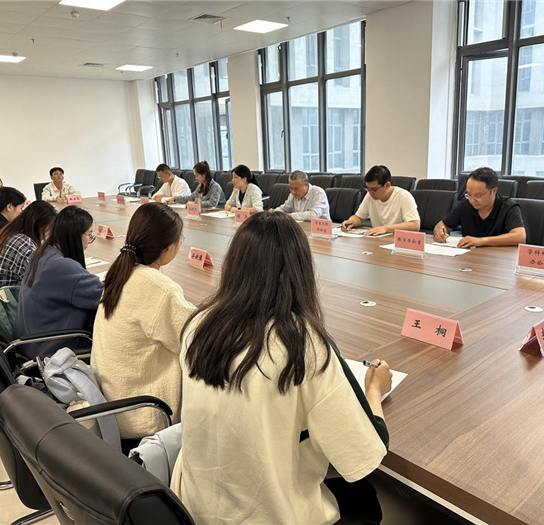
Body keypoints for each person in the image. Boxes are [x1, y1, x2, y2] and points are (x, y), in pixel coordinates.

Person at [172, 212, 392, 525]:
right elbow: (365, 450)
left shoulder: (198, 324)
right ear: (301, 271)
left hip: (193, 506)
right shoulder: (303, 345)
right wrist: (374, 390)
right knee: (364, 496)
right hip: (268, 515)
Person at [92, 203, 195, 438]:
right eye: (180, 238)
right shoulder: (159, 288)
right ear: (168, 247)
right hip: (145, 414)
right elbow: (195, 339)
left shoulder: (120, 272)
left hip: (114, 402)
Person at [13, 206, 103, 360]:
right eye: (89, 235)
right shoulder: (62, 267)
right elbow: (106, 295)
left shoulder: (42, 253)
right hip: (49, 351)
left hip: (29, 342)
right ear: (75, 235)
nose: (90, 240)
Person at [433, 167, 526, 248]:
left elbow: (520, 237)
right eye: (469, 194)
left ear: (494, 191)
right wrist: (440, 232)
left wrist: (481, 241)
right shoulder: (466, 204)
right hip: (470, 257)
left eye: (478, 196)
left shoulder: (509, 207)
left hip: (499, 259)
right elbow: (442, 224)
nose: (472, 200)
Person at [0, 201, 56, 295]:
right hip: (2, 302)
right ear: (39, 226)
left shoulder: (10, 233)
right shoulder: (24, 244)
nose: (49, 234)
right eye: (49, 229)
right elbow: (40, 282)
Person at [341, 165, 420, 235]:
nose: (371, 193)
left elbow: (415, 225)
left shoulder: (403, 197)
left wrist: (386, 228)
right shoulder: (369, 196)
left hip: (397, 240)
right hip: (377, 239)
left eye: (374, 189)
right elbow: (359, 217)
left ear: (387, 185)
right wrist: (351, 221)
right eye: (368, 189)